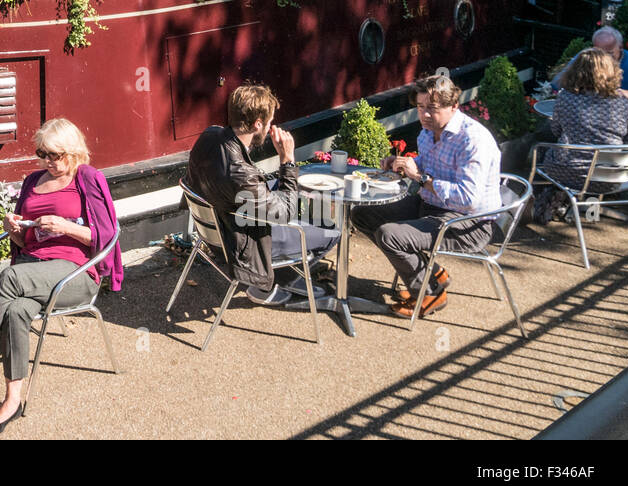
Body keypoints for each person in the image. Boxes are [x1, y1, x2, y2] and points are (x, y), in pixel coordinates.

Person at [0, 118, 122, 438]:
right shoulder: (32, 180)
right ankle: (13, 400)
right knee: (15, 310)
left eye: (56, 155)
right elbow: (25, 242)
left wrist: (66, 227)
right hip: (32, 266)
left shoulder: (86, 178)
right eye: (42, 153)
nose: (49, 161)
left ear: (73, 152)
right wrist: (12, 230)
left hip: (76, 272)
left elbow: (107, 235)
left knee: (10, 279)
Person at [353, 73, 501, 317]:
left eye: (432, 108)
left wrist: (421, 178)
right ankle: (431, 273)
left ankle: (430, 292)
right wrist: (403, 163)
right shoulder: (427, 131)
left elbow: (468, 198)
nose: (424, 115)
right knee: (362, 214)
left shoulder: (472, 140)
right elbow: (428, 163)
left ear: (454, 106)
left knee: (390, 236)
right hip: (431, 206)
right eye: (420, 107)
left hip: (467, 223)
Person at [186, 84, 334, 306]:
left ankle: (285, 274)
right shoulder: (241, 174)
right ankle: (275, 283)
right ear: (257, 124)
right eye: (268, 122)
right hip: (244, 246)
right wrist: (287, 159)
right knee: (332, 229)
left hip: (219, 229)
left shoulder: (210, 136)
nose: (270, 127)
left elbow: (246, 182)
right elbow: (285, 213)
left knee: (295, 195)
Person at [536, 48, 628, 217]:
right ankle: (590, 210)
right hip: (611, 178)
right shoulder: (623, 103)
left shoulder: (566, 98)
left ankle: (553, 201)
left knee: (543, 151)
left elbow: (556, 131)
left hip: (570, 173)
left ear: (576, 71)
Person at [555, 26, 628, 116]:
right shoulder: (587, 58)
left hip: (619, 117)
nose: (604, 58)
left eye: (609, 53)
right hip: (583, 112)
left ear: (620, 47)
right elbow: (558, 83)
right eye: (599, 53)